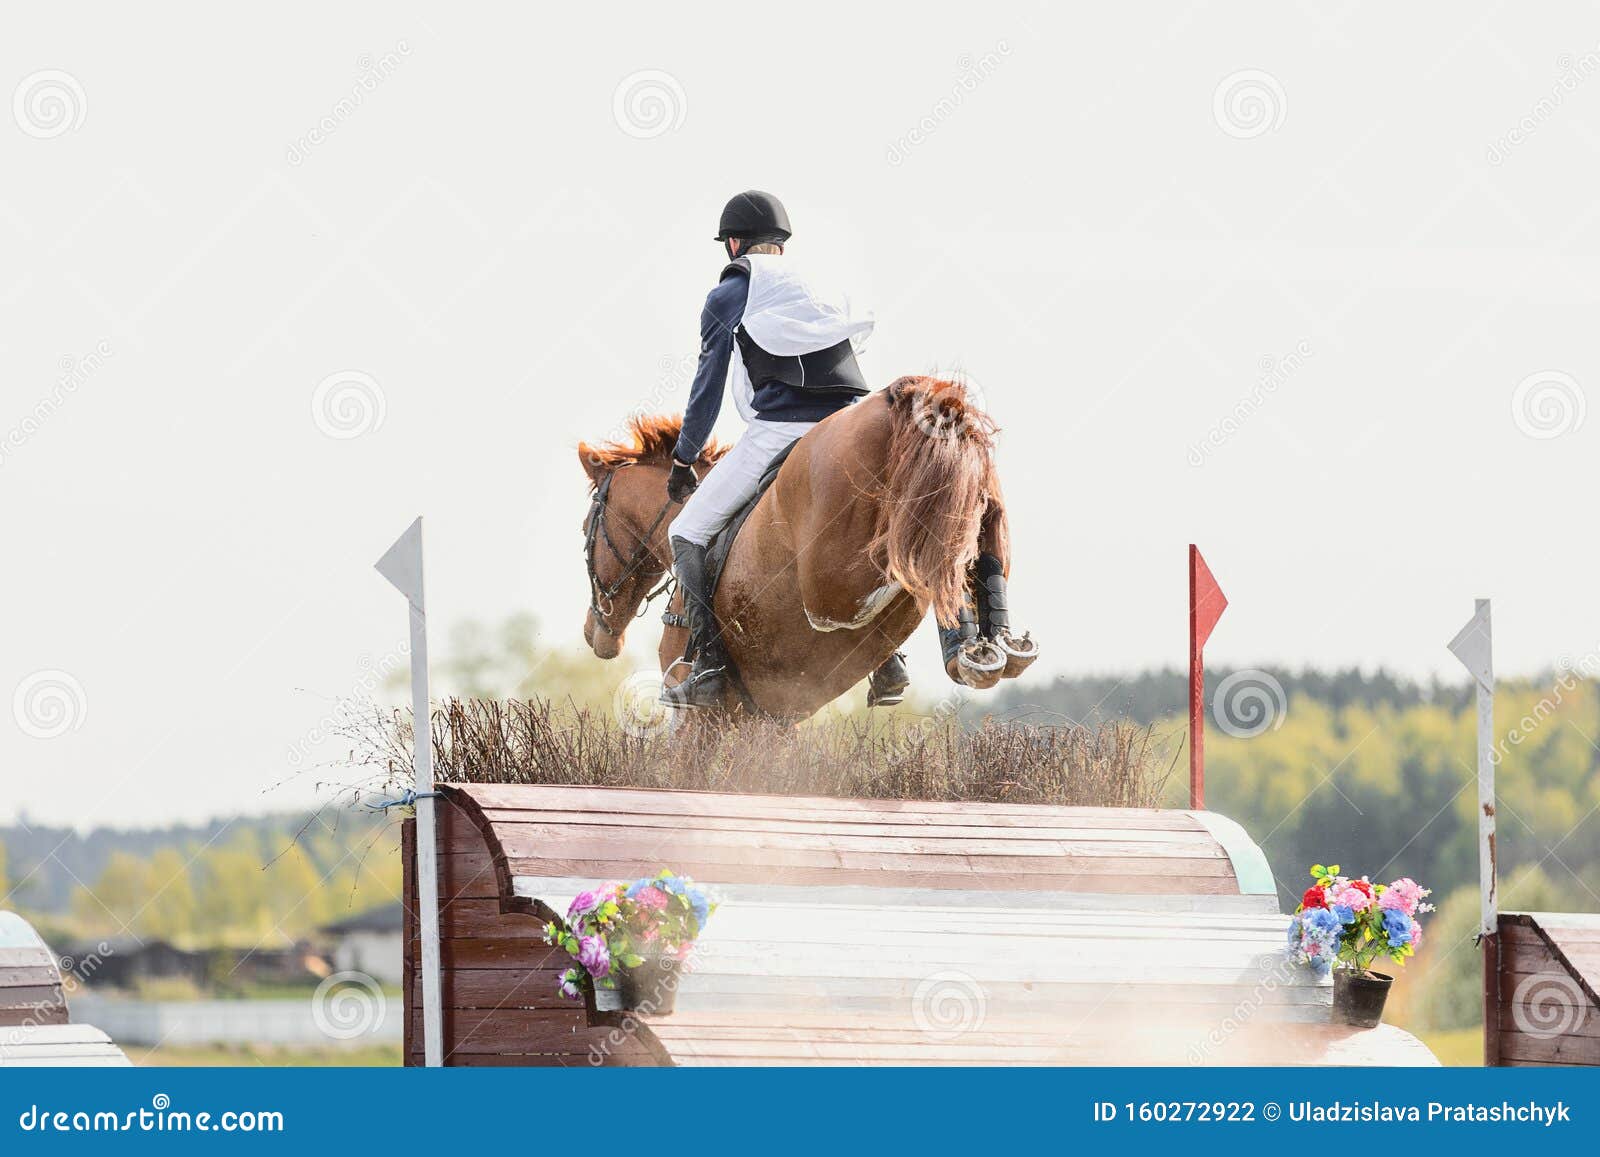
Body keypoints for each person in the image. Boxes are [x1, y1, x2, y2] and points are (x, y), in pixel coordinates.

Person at [660, 190, 909, 710]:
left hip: (780, 430)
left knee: (685, 530)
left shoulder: (730, 294)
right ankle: (887, 657)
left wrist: (685, 458)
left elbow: (707, 387)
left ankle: (707, 667)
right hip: (850, 423)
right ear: (781, 242)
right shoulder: (816, 285)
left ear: (733, 243)